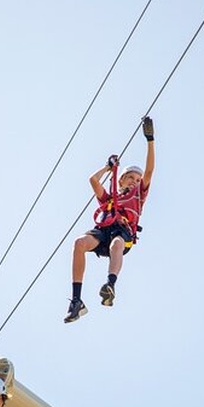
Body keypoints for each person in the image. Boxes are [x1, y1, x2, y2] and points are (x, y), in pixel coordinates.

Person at [64, 116, 156, 323]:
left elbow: (149, 171)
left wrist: (150, 140)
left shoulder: (138, 196)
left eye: (138, 180)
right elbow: (93, 180)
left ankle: (110, 285)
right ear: (121, 180)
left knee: (117, 244)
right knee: (79, 243)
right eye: (130, 177)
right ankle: (76, 301)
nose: (135, 182)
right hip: (104, 230)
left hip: (122, 233)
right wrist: (108, 167)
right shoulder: (109, 198)